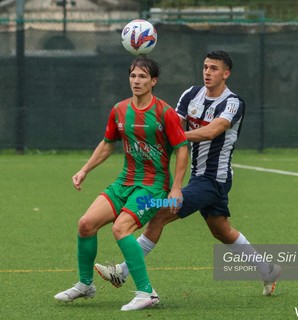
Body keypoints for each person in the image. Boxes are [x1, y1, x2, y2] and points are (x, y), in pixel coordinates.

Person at [95, 50, 281, 296]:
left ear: (226, 74)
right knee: (221, 229)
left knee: (160, 214)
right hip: (198, 177)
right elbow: (172, 123)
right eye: (205, 67)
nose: (207, 72)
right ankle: (267, 270)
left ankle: (122, 272)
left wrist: (170, 137)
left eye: (214, 68)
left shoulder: (233, 102)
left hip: (214, 179)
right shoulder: (191, 94)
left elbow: (210, 132)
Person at [54, 56, 189, 311]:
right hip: (125, 182)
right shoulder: (119, 110)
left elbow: (182, 150)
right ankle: (85, 285)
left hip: (153, 187)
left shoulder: (165, 113)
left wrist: (176, 187)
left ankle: (147, 292)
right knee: (85, 224)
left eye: (142, 77)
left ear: (154, 81)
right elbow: (107, 144)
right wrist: (84, 170)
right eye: (133, 76)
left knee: (121, 228)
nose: (136, 81)